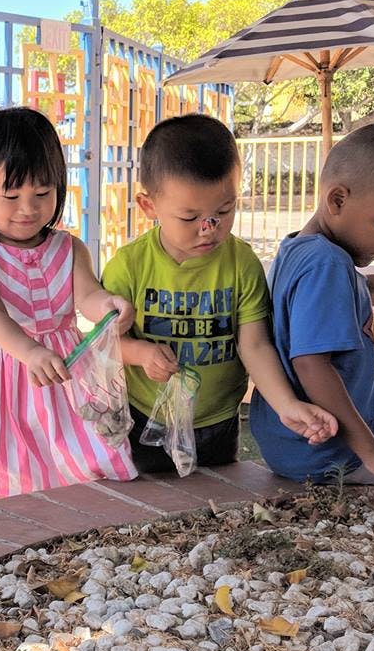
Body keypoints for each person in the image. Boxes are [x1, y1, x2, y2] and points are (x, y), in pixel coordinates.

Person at [102, 114, 337, 472]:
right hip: (144, 419)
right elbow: (104, 344)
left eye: (224, 211)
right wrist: (142, 353)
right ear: (150, 206)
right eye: (189, 217)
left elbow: (254, 345)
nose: (209, 229)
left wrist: (287, 404)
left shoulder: (242, 264)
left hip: (218, 421)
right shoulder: (129, 265)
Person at [0, 106, 138, 503]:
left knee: (79, 465)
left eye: (42, 193)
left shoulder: (69, 247)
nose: (28, 208)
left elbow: (87, 296)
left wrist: (108, 305)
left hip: (64, 377)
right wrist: (29, 351)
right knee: (6, 471)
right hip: (1, 378)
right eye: (11, 195)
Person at [251, 123, 374, 491]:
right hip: (331, 454)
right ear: (338, 201)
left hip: (287, 445)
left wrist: (365, 286)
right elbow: (311, 363)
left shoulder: (298, 248)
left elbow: (304, 305)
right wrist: (373, 452)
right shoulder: (328, 264)